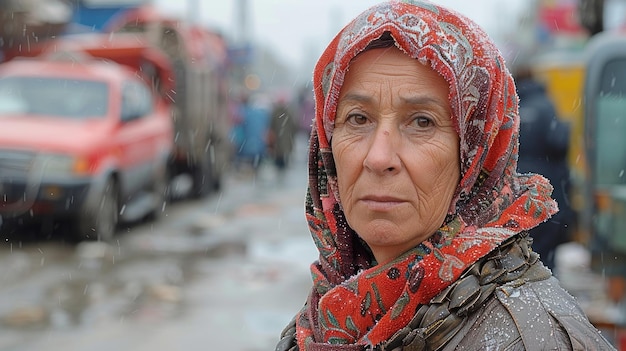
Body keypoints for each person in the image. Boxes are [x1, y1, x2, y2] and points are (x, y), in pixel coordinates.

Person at [275, 1, 616, 350]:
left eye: (422, 121)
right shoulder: (326, 309)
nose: (378, 158)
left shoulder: (533, 338)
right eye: (358, 119)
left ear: (475, 158)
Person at [513, 57, 574, 272]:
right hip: (547, 186)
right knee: (547, 246)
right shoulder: (546, 105)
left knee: (523, 245)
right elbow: (559, 142)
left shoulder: (511, 106)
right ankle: (546, 289)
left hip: (517, 187)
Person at [268, 93, 297, 171]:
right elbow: (294, 125)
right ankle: (282, 167)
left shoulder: (275, 112)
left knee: (278, 153)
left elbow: (271, 124)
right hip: (286, 136)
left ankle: (279, 167)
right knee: (284, 152)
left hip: (278, 136)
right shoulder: (289, 111)